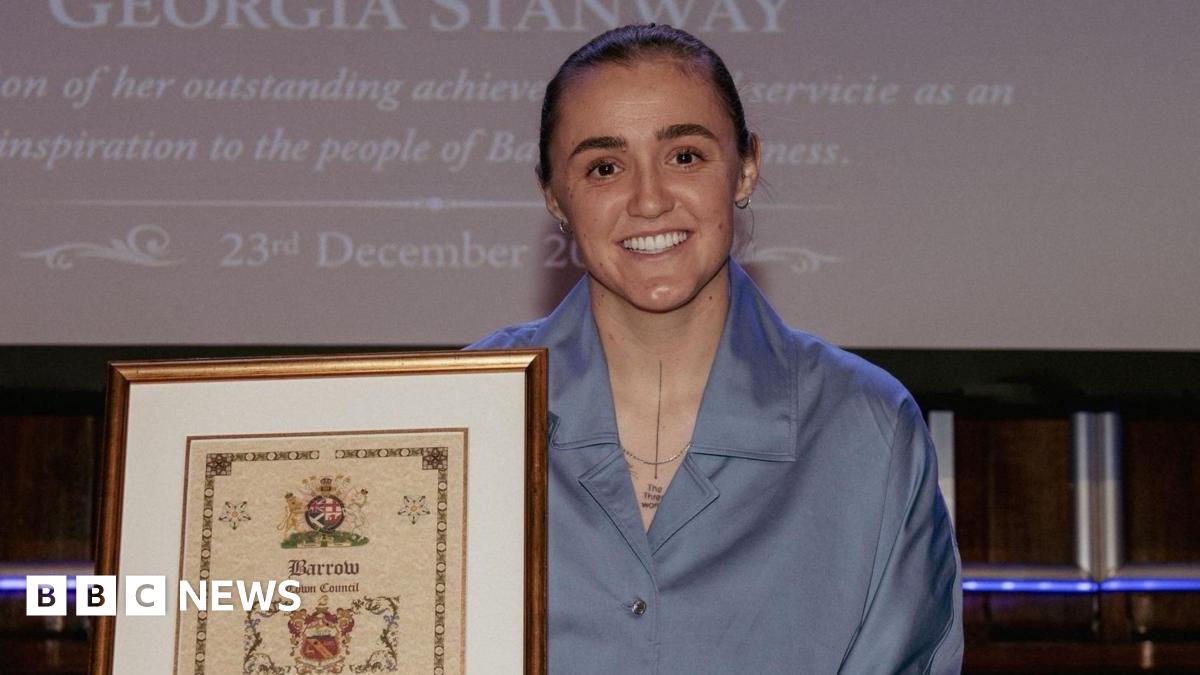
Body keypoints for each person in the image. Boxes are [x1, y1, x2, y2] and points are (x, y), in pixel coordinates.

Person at [471, 24, 962, 674]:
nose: (649, 200)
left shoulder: (866, 428)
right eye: (604, 167)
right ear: (554, 198)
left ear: (746, 168)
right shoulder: (471, 412)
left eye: (685, 156)